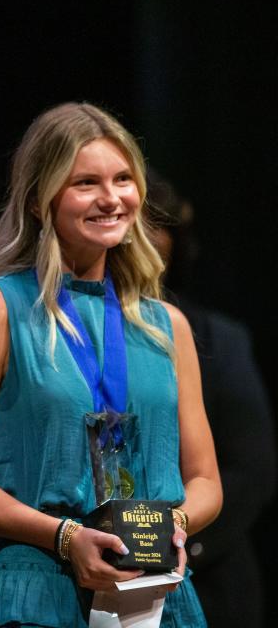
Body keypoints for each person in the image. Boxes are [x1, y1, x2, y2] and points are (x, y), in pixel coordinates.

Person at [0, 102, 221, 627]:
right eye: (86, 183)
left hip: (155, 593)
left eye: (122, 179)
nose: (111, 198)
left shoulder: (166, 325)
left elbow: (205, 478)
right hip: (39, 589)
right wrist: (65, 537)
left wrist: (165, 527)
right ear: (39, 199)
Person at [146, 173, 275, 628]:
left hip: (211, 578)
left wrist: (171, 545)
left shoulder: (220, 339)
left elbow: (253, 468)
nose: (143, 236)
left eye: (157, 224)